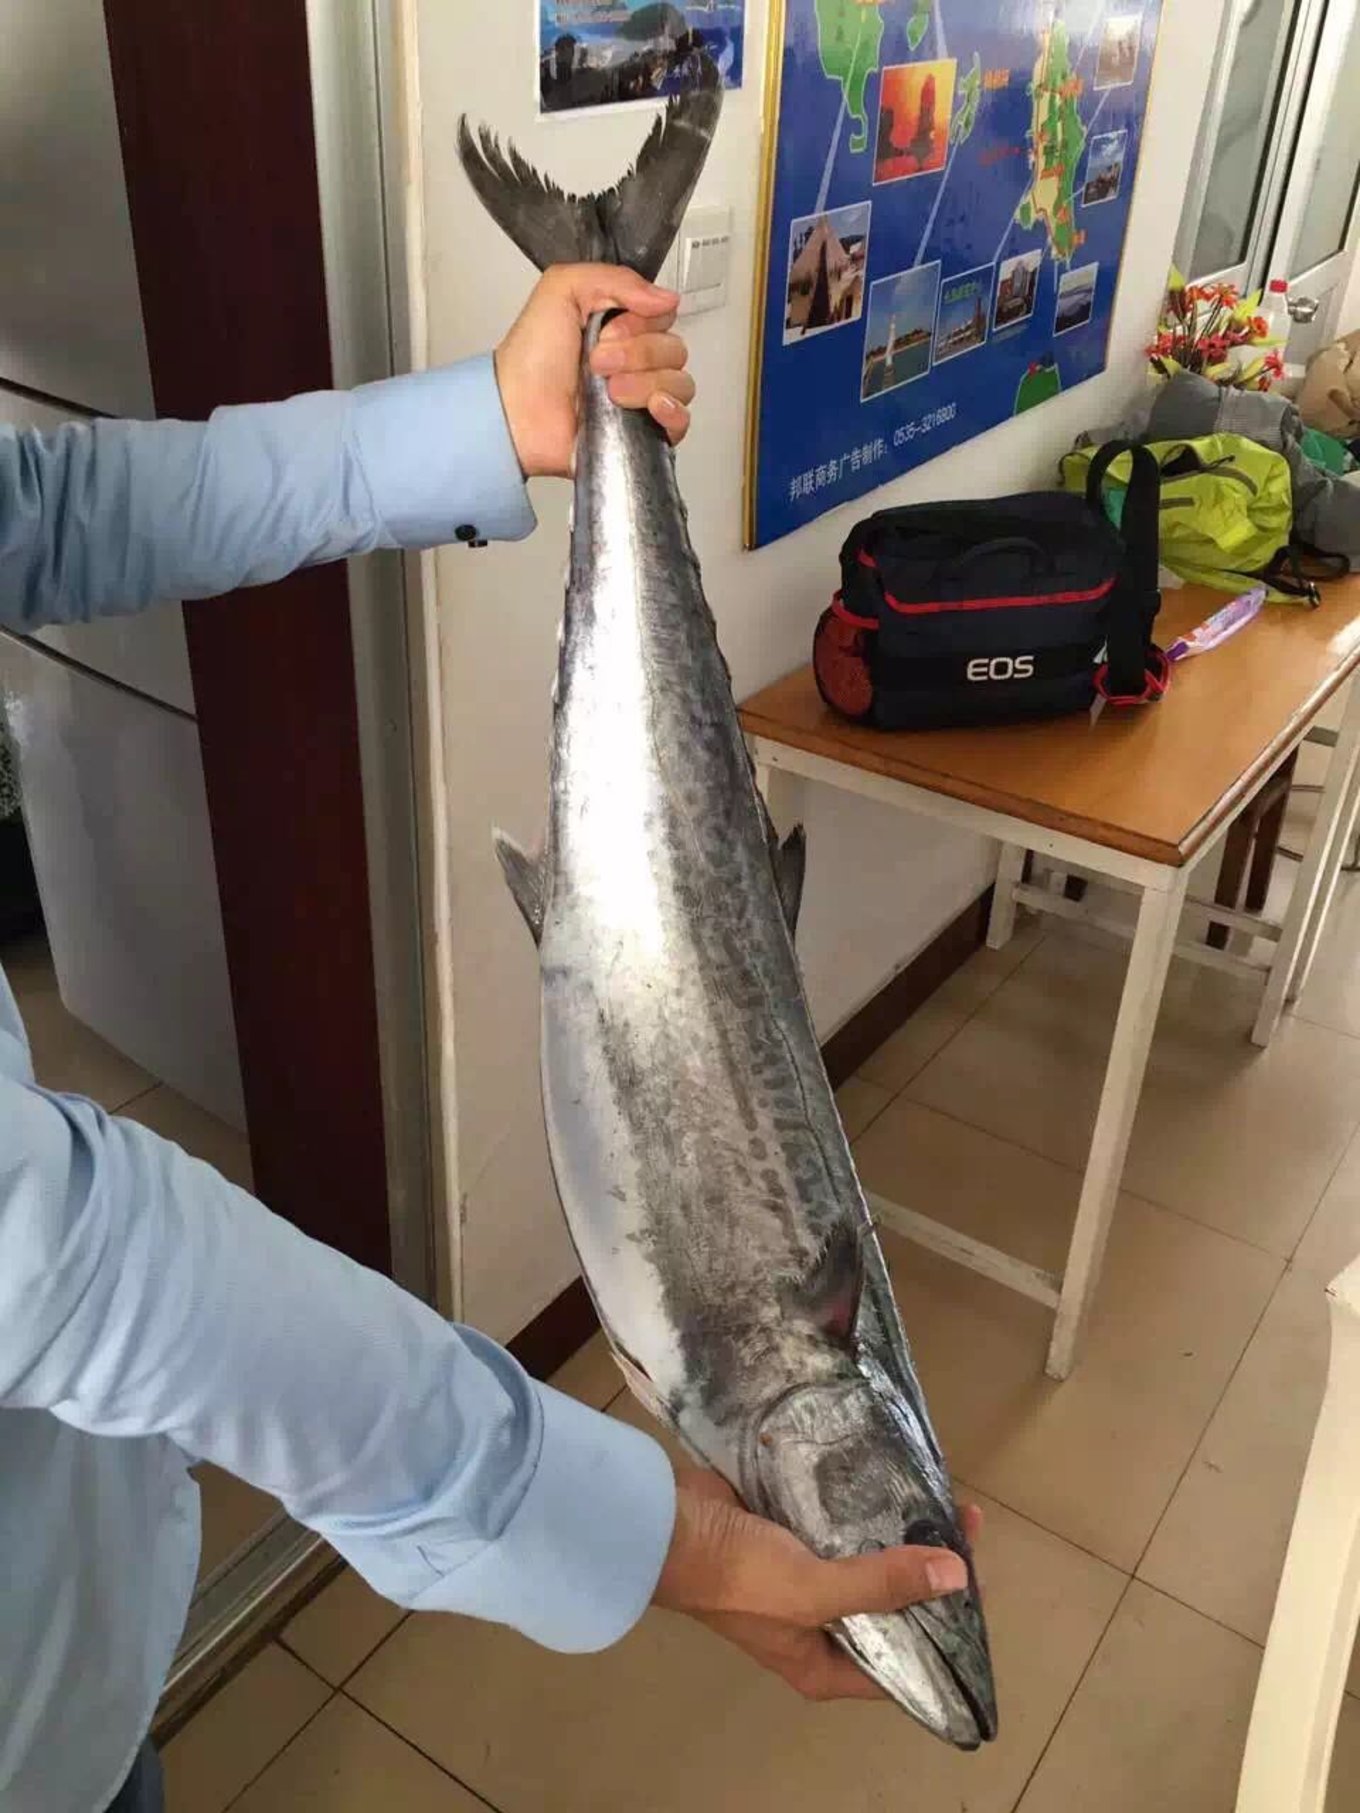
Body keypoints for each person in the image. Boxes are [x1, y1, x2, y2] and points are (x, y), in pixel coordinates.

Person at [0, 265, 977, 1813]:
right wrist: (657, 1536)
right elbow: (69, 1259)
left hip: (75, 1643)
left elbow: (30, 512)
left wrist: (481, 424)